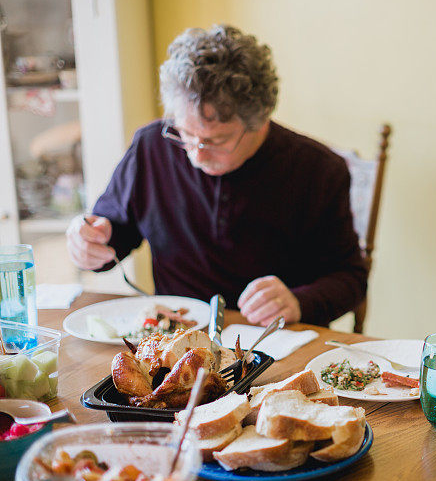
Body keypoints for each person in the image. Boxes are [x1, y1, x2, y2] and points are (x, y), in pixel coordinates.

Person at [66, 25, 367, 327]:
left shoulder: (317, 170)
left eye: (216, 141)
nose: (197, 154)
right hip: (174, 340)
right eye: (185, 134)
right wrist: (89, 242)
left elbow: (350, 278)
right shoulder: (151, 147)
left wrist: (299, 302)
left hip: (273, 341)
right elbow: (114, 232)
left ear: (260, 120)